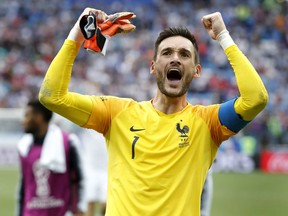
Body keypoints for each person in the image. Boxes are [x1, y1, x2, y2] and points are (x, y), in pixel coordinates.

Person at [38, 8, 268, 216]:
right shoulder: (116, 113)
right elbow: (52, 96)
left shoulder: (208, 123)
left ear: (196, 71)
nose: (175, 58)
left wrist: (223, 37)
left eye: (184, 54)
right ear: (152, 66)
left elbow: (255, 99)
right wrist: (78, 33)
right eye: (167, 53)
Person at [17, 99, 85, 216]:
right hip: (31, 212)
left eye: (27, 115)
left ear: (39, 117)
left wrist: (78, 209)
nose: (23, 121)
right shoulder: (24, 147)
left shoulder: (67, 142)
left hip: (60, 211)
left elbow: (79, 179)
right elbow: (24, 186)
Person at [79, 129, 107, 216]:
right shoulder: (87, 122)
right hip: (89, 168)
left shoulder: (110, 119)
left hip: (107, 168)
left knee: (106, 205)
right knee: (89, 204)